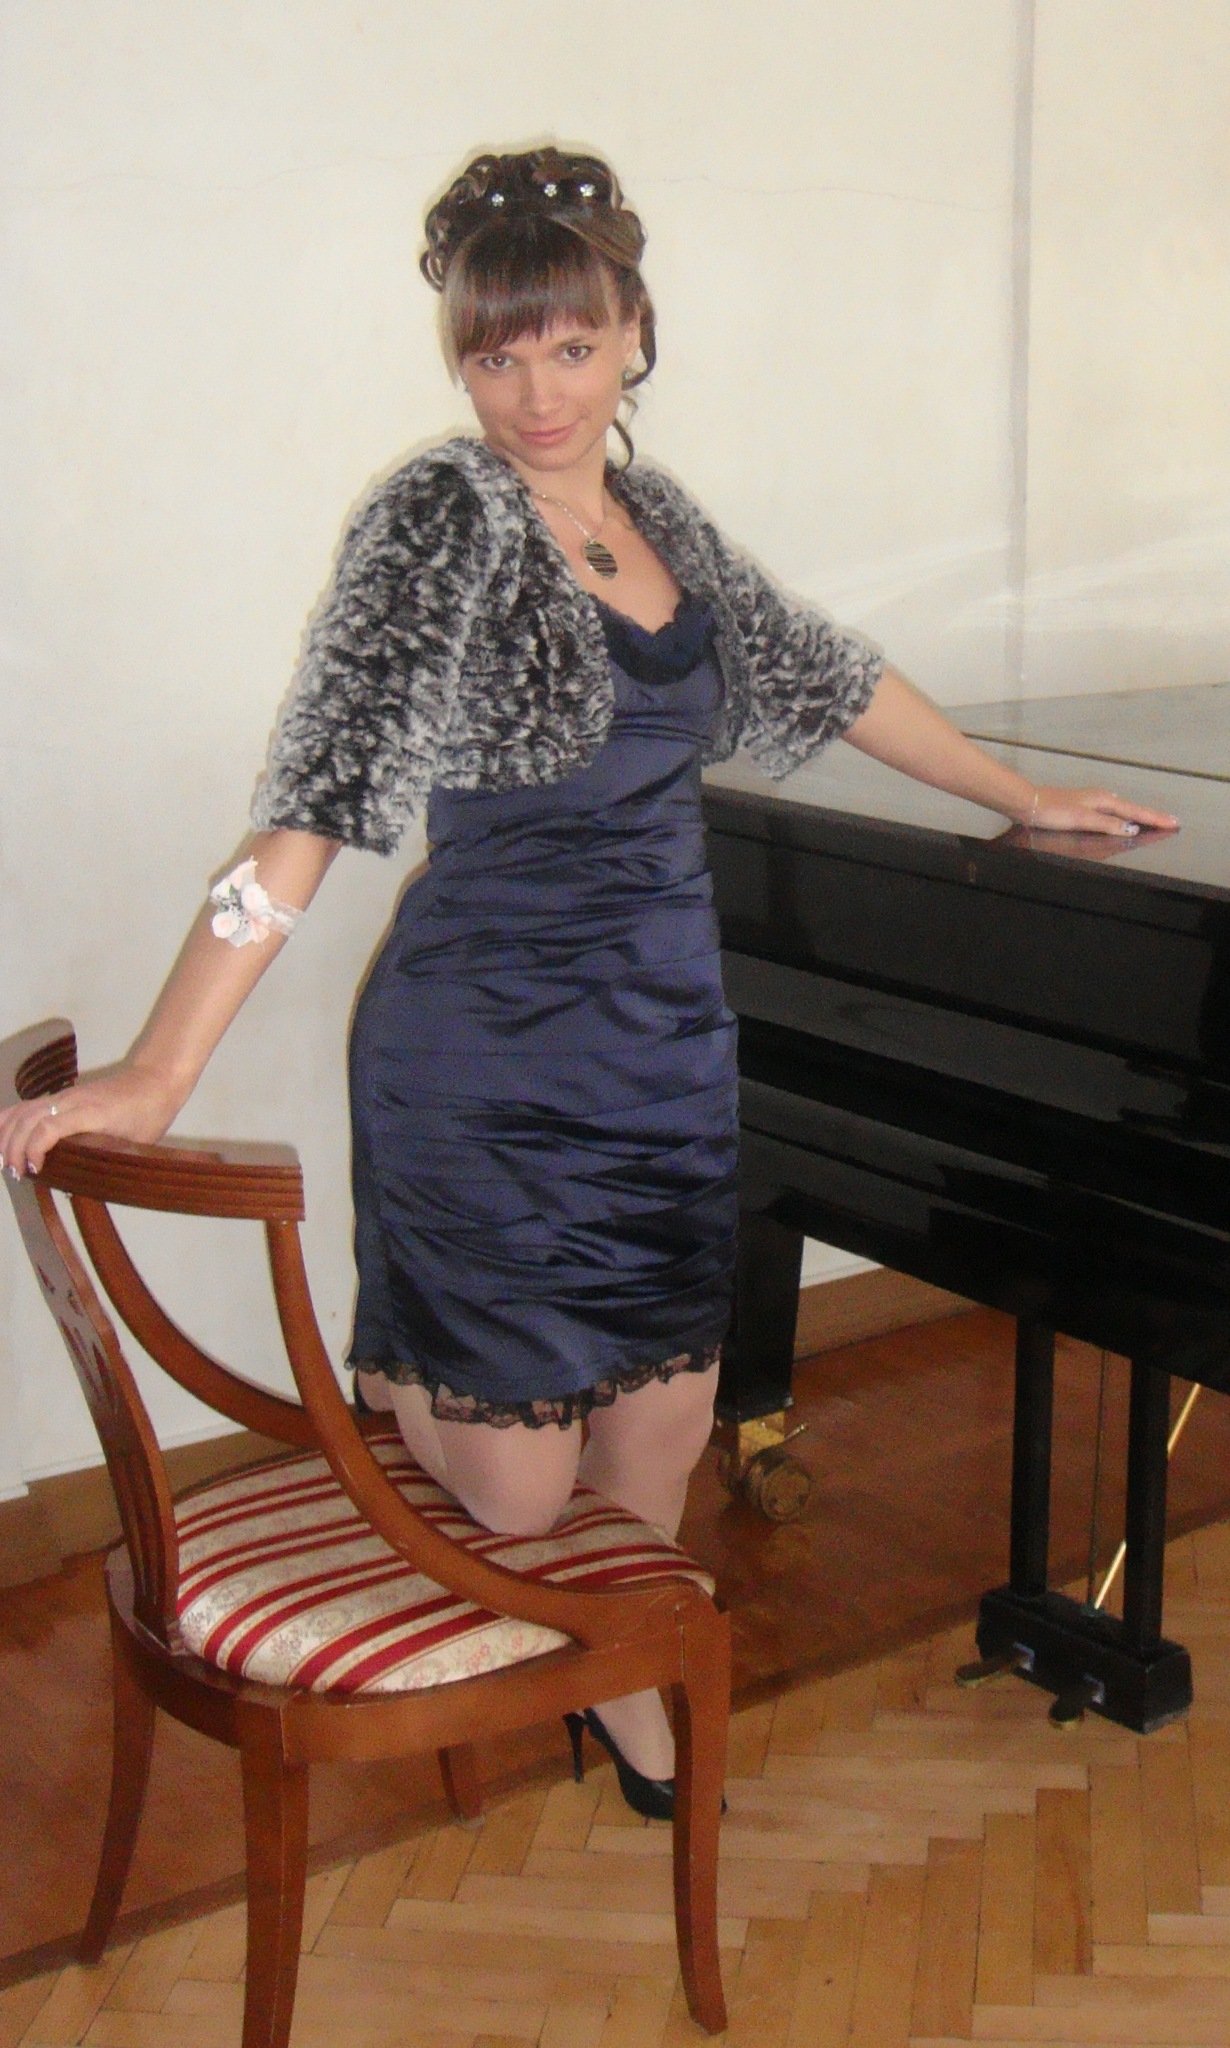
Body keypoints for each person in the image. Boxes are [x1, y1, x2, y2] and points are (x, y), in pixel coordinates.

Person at [0, 146, 1177, 1814]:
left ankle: (612, 1690)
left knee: (662, 1430)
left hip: (660, 1046)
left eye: (570, 345)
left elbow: (829, 674)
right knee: (516, 1485)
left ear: (634, 333)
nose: (536, 392)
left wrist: (1018, 793)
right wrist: (161, 1068)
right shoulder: (440, 520)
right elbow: (312, 806)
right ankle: (425, 1401)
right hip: (483, 1058)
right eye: (496, 354)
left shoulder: (658, 517)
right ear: (459, 360)